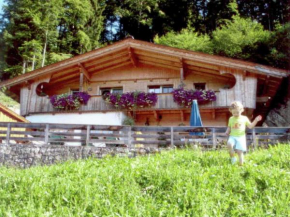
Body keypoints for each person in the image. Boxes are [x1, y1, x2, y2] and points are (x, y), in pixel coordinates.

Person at [225, 101, 262, 166]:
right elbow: (229, 127)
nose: (235, 114)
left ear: (241, 110)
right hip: (232, 136)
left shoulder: (244, 118)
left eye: (237, 112)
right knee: (229, 144)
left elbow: (250, 126)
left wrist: (256, 120)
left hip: (241, 137)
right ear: (231, 111)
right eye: (234, 113)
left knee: (239, 152)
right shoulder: (231, 119)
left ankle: (241, 165)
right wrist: (227, 131)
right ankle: (233, 158)